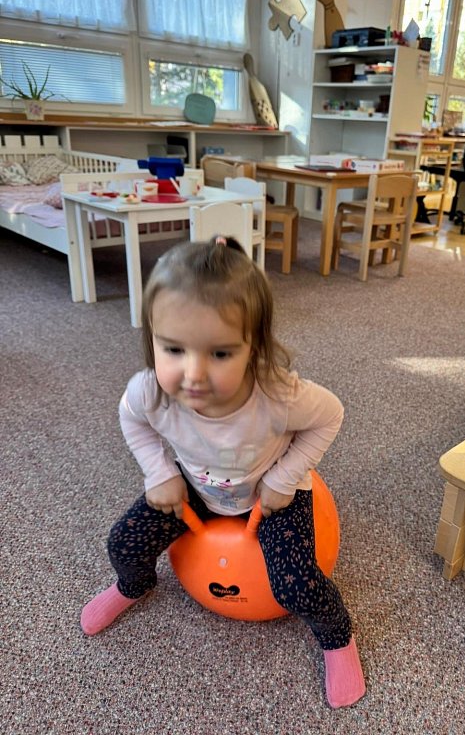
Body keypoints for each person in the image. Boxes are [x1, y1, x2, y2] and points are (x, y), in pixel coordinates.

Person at [80, 236, 365, 709]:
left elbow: (330, 415)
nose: (193, 374)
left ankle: (337, 636)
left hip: (271, 494)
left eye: (219, 354)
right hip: (195, 487)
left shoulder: (278, 394)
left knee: (297, 586)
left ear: (254, 348)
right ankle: (135, 585)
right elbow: (131, 418)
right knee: (123, 543)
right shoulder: (150, 391)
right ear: (152, 339)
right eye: (173, 349)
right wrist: (158, 472)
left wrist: (284, 477)